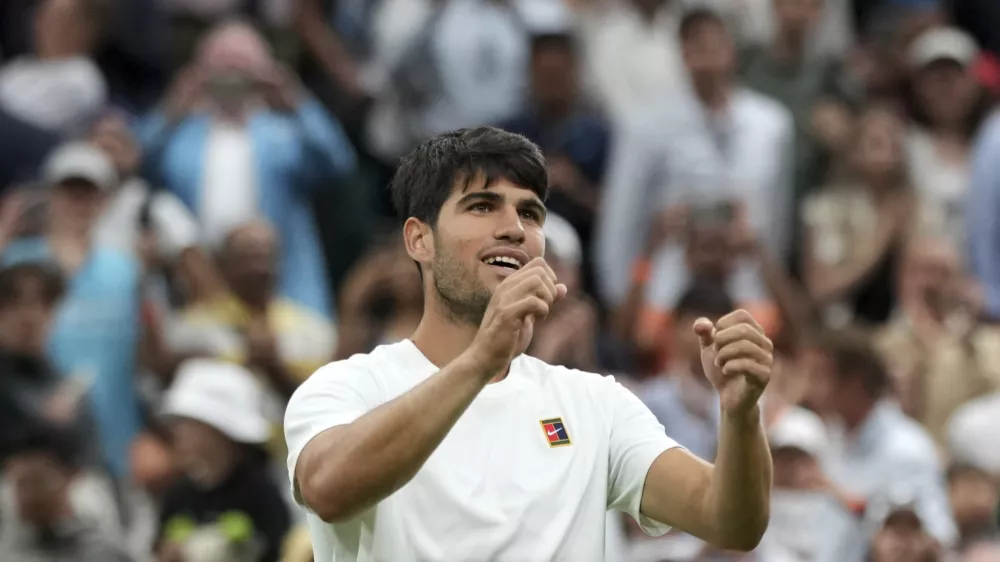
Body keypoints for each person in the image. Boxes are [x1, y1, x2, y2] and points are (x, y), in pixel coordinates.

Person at [285, 127, 774, 560]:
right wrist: (481, 361)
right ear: (419, 240)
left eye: (530, 213)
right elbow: (327, 489)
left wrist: (741, 415)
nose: (514, 228)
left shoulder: (595, 403)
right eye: (481, 206)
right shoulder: (347, 386)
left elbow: (730, 522)